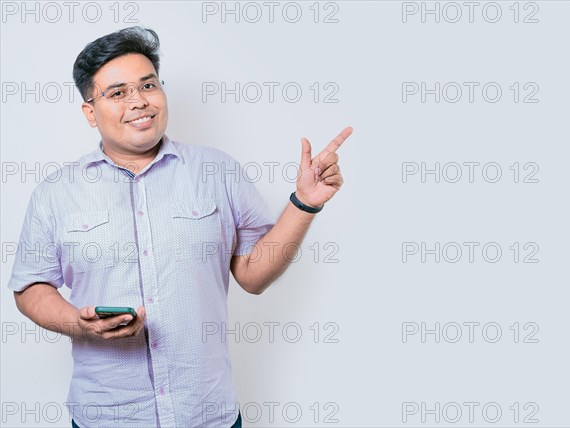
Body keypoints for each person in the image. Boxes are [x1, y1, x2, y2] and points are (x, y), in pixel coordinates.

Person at [7, 26, 352, 428]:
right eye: (117, 93)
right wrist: (77, 324)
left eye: (148, 85)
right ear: (90, 111)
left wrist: (305, 203)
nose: (138, 101)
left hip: (206, 413)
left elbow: (254, 276)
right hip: (107, 416)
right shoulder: (57, 192)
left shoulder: (217, 171)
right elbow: (30, 285)